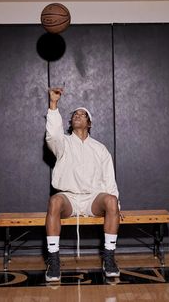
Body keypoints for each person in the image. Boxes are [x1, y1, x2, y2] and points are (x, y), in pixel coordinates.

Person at [45, 87, 121, 282]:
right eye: (75, 115)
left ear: (89, 122)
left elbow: (109, 179)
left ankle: (109, 258)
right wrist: (53, 105)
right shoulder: (63, 143)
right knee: (54, 201)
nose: (78, 116)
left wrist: (116, 206)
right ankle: (53, 260)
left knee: (112, 200)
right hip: (69, 198)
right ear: (70, 122)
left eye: (83, 114)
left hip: (92, 198)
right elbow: (52, 135)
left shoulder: (100, 148)